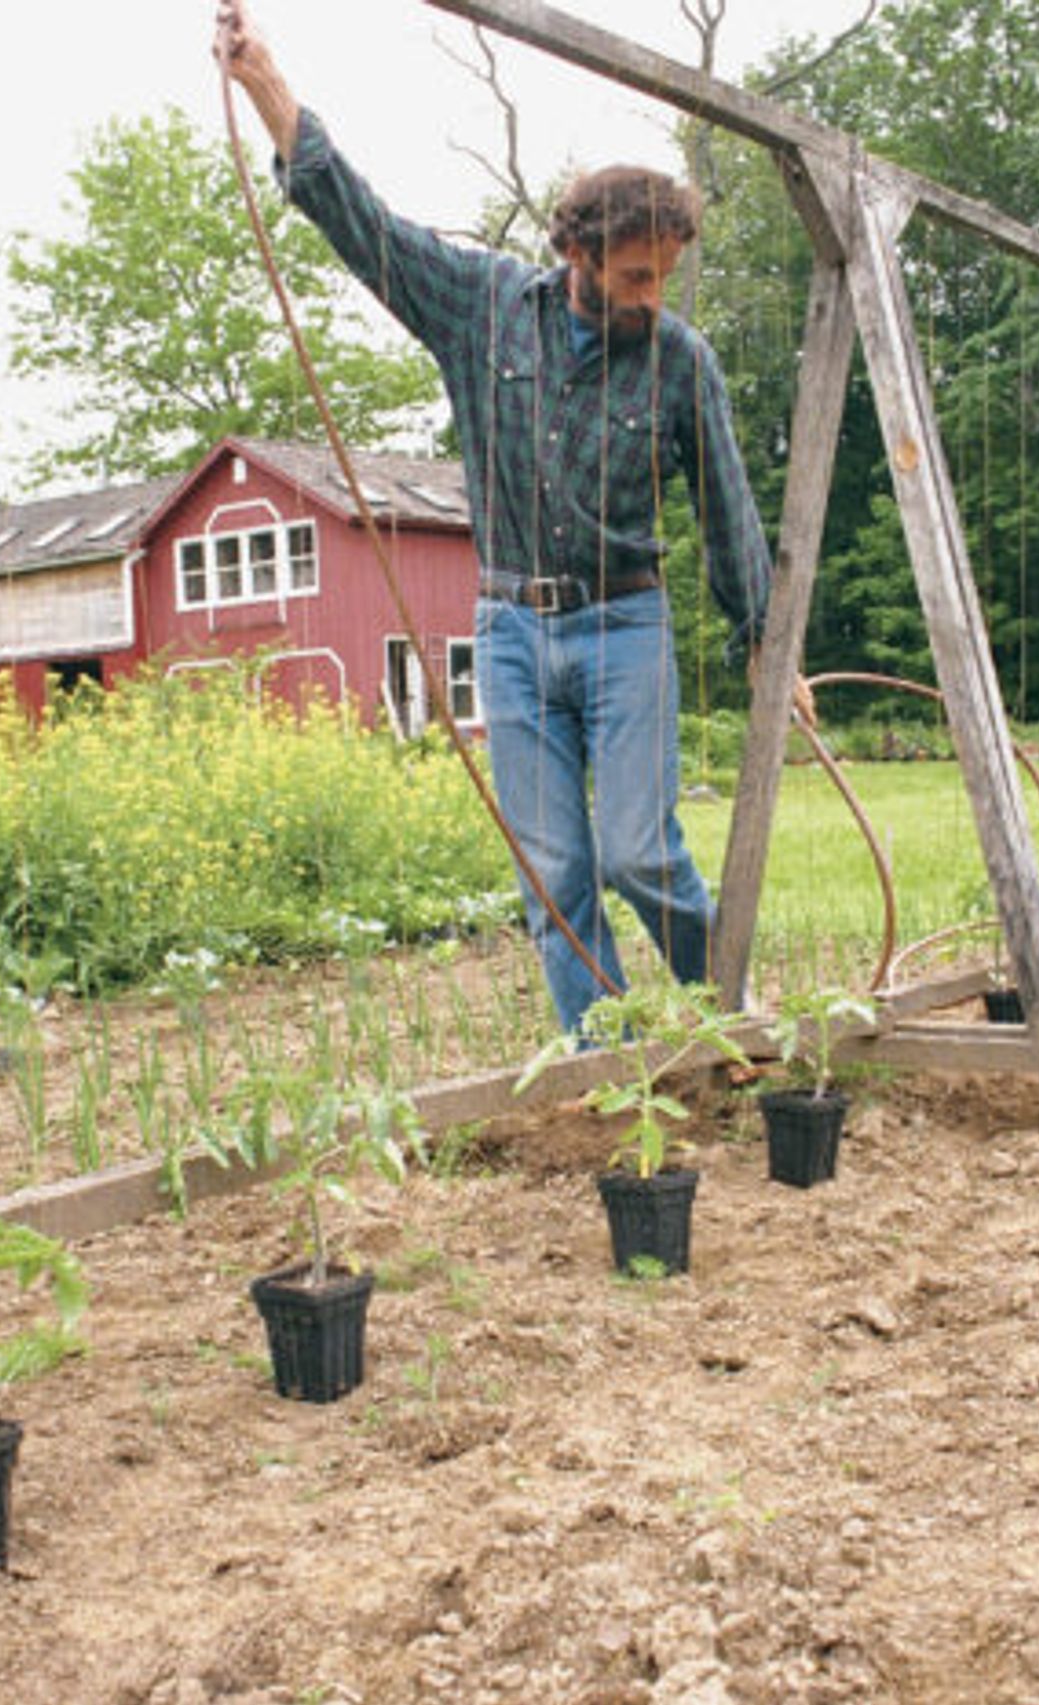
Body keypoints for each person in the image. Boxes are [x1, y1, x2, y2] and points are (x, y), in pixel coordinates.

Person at [216, 0, 777, 1037]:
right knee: (554, 871)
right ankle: (607, 1057)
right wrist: (268, 89)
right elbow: (366, 227)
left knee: (639, 853)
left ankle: (731, 1015)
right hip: (510, 630)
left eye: (665, 277)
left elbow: (727, 505)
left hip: (624, 626)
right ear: (578, 254)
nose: (653, 296)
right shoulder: (480, 308)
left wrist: (762, 646)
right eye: (634, 277)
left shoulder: (679, 361)